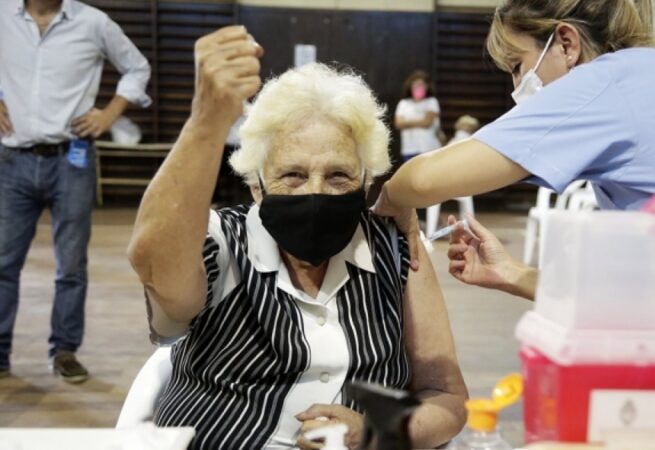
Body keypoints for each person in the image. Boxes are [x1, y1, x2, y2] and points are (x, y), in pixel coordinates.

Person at [374, 0, 655, 419]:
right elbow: (635, 296)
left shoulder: (609, 84)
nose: (515, 87)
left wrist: (390, 203)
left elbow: (425, 179)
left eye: (519, 66)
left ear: (566, 43)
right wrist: (514, 274)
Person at [126, 26, 467, 450]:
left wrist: (378, 432)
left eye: (339, 176)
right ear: (256, 186)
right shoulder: (223, 241)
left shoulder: (396, 248)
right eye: (292, 175)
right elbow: (152, 261)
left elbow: (447, 398)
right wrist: (206, 121)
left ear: (366, 182)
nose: (316, 193)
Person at [0, 0, 151, 382]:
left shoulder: (94, 23)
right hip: (11, 160)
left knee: (71, 266)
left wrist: (110, 112)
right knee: (2, 264)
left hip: (73, 159)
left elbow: (137, 66)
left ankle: (64, 350)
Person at [394, 71, 443, 162]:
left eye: (422, 85)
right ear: (410, 86)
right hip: (409, 148)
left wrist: (407, 122)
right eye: (416, 84)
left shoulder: (432, 101)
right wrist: (421, 121)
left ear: (427, 86)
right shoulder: (404, 103)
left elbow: (427, 123)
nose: (419, 87)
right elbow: (398, 123)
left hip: (428, 148)